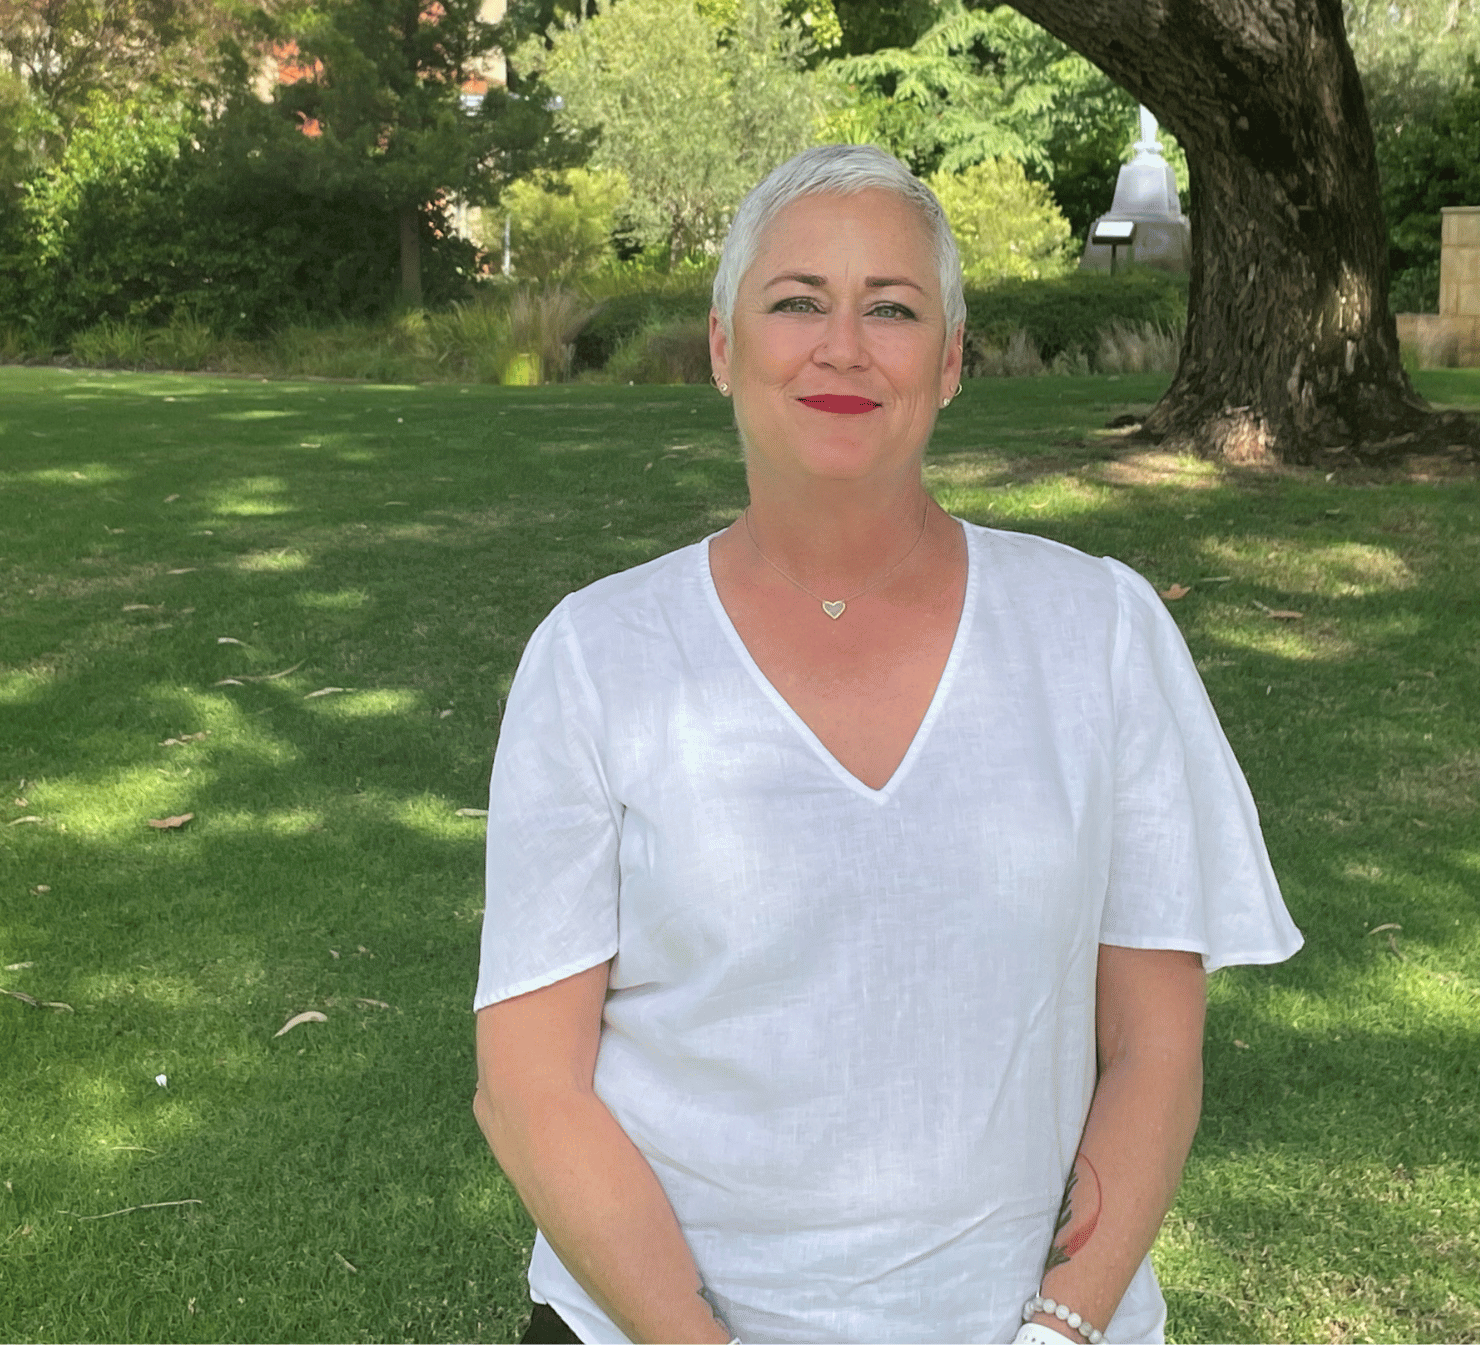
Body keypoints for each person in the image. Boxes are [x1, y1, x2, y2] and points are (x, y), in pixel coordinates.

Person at [471, 145, 1301, 1345]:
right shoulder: (599, 657)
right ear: (721, 347)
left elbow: (1154, 1045)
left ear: (951, 362)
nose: (843, 347)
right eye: (797, 301)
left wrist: (1059, 1330)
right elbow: (528, 1088)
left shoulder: (1099, 632)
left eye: (894, 309)